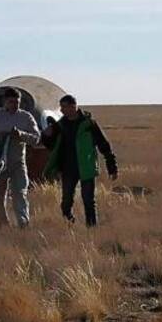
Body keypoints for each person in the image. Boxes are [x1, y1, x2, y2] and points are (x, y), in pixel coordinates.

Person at [43, 94, 118, 227]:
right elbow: (51, 145)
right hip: (67, 168)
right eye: (61, 107)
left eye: (64, 107)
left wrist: (111, 166)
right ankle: (69, 223)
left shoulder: (89, 124)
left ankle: (92, 229)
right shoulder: (60, 125)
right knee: (66, 202)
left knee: (89, 200)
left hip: (86, 166)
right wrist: (47, 135)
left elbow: (103, 145)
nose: (61, 110)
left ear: (74, 107)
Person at [0, 87, 40, 227]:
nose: (14, 105)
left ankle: (23, 223)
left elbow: (36, 138)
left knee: (20, 193)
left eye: (17, 102)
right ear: (4, 101)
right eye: (11, 102)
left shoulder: (26, 117)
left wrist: (21, 135)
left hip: (18, 161)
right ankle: (2, 225)